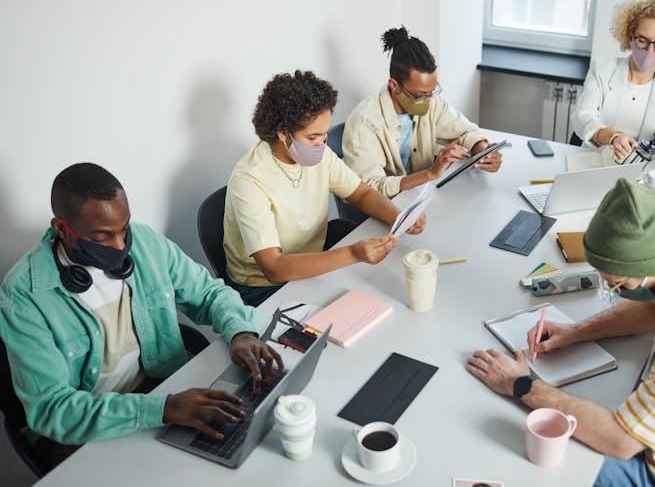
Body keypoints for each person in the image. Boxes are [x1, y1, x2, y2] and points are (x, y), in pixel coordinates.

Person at [467, 178, 655, 485]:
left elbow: (621, 441)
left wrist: (522, 385)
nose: (611, 290)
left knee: (536, 456)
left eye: (618, 284)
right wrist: (576, 331)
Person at [0, 163, 283, 470]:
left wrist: (241, 333)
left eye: (124, 229)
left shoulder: (146, 243)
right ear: (62, 230)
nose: (121, 247)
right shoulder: (24, 296)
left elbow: (210, 293)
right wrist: (163, 409)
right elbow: (52, 410)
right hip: (92, 429)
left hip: (163, 391)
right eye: (102, 237)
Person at [224, 70, 425, 307]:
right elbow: (274, 268)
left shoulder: (318, 154)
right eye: (312, 137)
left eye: (325, 135)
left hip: (310, 262)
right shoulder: (249, 180)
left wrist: (400, 218)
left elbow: (360, 193)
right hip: (264, 289)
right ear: (282, 133)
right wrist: (353, 254)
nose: (321, 143)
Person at [342, 26, 503, 198]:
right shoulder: (364, 121)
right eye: (420, 95)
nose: (428, 100)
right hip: (386, 209)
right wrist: (430, 174)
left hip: (423, 196)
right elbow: (369, 188)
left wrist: (484, 152)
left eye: (431, 92)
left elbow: (466, 131)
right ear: (394, 85)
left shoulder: (433, 102)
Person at [571, 0, 655, 165]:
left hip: (642, 173)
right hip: (596, 163)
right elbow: (583, 117)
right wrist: (613, 137)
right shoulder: (602, 69)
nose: (650, 50)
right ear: (630, 36)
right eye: (643, 40)